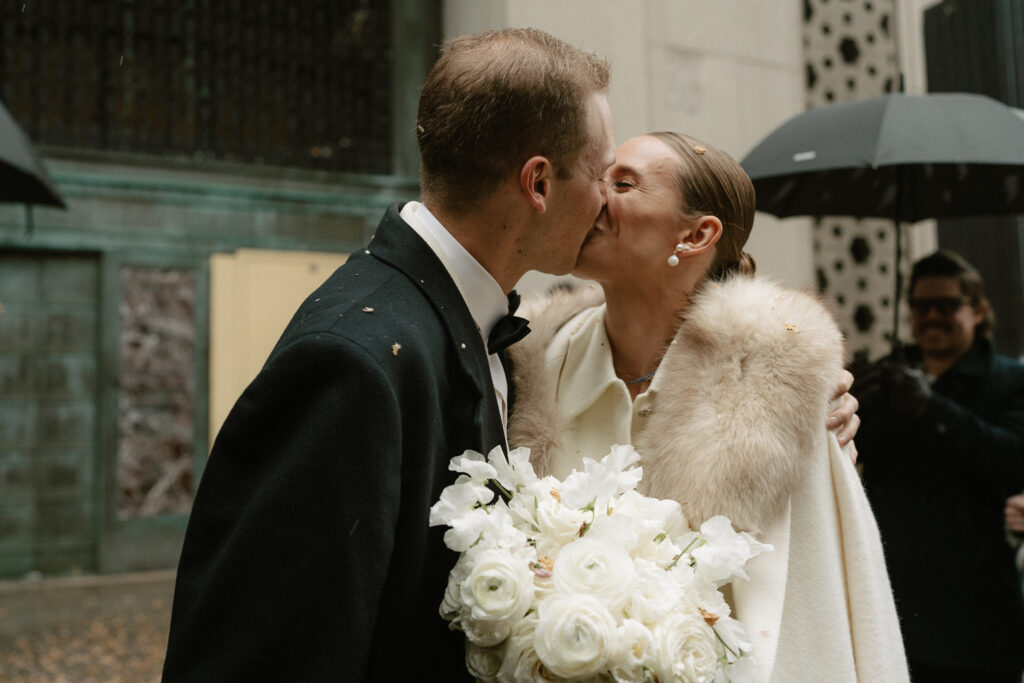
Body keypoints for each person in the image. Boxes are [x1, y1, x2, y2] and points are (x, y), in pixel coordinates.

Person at [161, 28, 616, 681]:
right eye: (601, 174)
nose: (606, 201)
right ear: (538, 183)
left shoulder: (476, 329)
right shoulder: (351, 362)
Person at [507, 132, 907, 682]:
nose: (595, 196)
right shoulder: (526, 364)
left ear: (696, 235)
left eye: (622, 183)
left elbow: (822, 619)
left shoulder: (779, 393)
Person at [854, 250, 1024, 682]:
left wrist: (930, 408)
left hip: (977, 621)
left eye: (946, 305)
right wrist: (856, 408)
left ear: (978, 310)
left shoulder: (1009, 380)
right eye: (921, 306)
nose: (932, 316)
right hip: (897, 609)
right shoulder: (888, 376)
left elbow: (1011, 461)